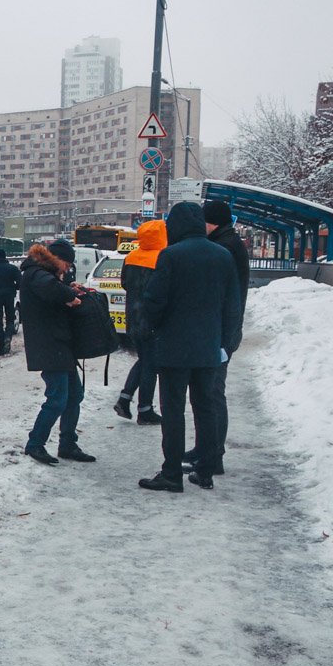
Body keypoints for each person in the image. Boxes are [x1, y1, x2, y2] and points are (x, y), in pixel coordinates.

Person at [138, 202, 242, 492]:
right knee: (205, 408)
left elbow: (154, 301)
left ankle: (172, 474)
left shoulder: (171, 255)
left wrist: (152, 327)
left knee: (173, 411)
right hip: (209, 348)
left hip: (174, 348)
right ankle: (205, 471)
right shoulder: (222, 255)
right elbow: (233, 305)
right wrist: (225, 342)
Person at [184, 200, 250, 475]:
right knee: (207, 393)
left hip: (220, 332)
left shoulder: (225, 248)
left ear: (214, 223)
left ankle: (213, 455)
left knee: (211, 394)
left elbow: (222, 295)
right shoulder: (228, 243)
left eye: (204, 221)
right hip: (221, 330)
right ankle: (205, 449)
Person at [19, 239, 94, 465]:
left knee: (74, 395)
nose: (68, 269)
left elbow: (52, 289)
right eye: (67, 264)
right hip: (49, 345)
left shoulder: (44, 274)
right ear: (57, 259)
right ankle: (35, 444)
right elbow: (49, 288)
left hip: (59, 344)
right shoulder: (35, 272)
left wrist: (68, 289)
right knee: (58, 399)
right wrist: (69, 296)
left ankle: (68, 444)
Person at [114, 220, 166, 425]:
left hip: (133, 318)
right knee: (150, 364)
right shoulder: (162, 258)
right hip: (153, 319)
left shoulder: (131, 257)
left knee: (144, 360)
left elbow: (125, 283)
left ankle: (125, 399)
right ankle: (144, 410)